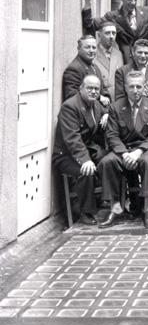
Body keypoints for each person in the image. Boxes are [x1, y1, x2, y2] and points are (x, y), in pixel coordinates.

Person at [98, 71, 148, 229]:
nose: (135, 90)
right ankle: (115, 208)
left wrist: (138, 152)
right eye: (131, 87)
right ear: (125, 87)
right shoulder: (116, 107)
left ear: (144, 87)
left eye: (139, 86)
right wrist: (125, 154)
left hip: (145, 149)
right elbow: (112, 135)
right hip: (123, 149)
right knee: (107, 162)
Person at [52, 75, 108, 225]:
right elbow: (73, 139)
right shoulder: (70, 107)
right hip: (66, 155)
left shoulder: (95, 104)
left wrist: (106, 114)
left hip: (86, 149)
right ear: (81, 89)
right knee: (86, 171)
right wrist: (85, 160)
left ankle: (107, 200)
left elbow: (105, 110)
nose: (93, 92)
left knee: (110, 161)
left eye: (96, 89)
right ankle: (85, 212)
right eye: (89, 88)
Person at [82, 0, 148, 61]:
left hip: (145, 59)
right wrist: (88, 5)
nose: (133, 2)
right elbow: (90, 24)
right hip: (124, 61)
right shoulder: (112, 17)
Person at [62, 35, 110, 104]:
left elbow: (103, 88)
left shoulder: (95, 67)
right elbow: (72, 97)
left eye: (94, 47)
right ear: (79, 48)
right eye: (87, 47)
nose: (91, 50)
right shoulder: (73, 69)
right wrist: (99, 98)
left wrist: (107, 98)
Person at [94, 21, 124, 101]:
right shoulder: (93, 53)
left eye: (113, 33)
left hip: (117, 98)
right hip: (101, 99)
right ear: (99, 35)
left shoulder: (118, 54)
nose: (111, 36)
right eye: (107, 33)